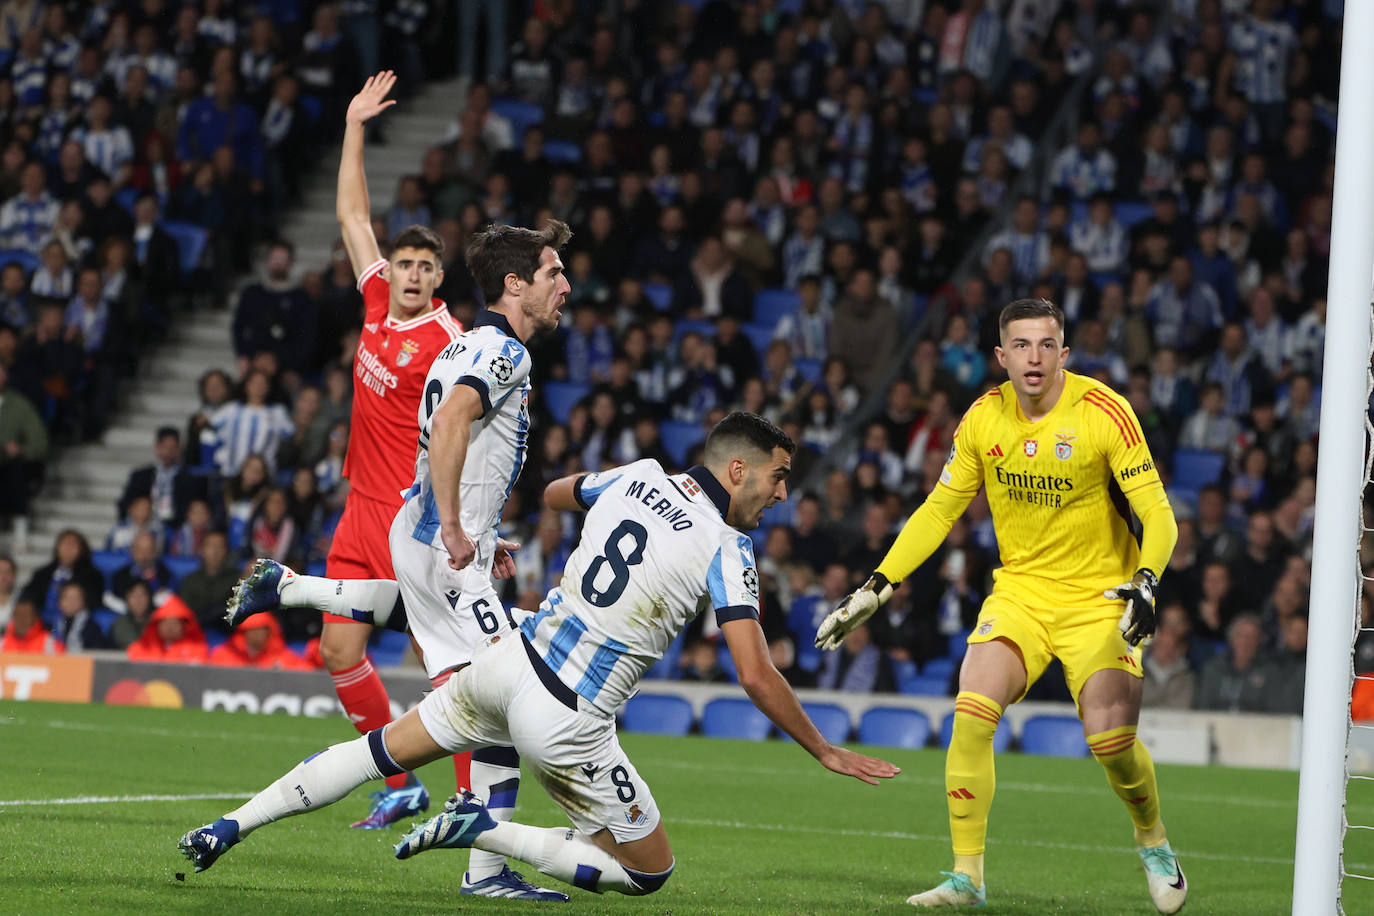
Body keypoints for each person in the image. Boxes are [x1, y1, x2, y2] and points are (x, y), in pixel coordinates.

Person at [181, 412, 899, 898]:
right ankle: (484, 829)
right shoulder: (727, 548)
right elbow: (753, 671)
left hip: (509, 665)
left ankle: (228, 825)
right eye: (777, 477)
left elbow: (558, 494)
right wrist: (825, 751)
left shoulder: (638, 474)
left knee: (379, 750)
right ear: (737, 469)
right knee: (649, 872)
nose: (780, 493)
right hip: (566, 720)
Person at [226, 208, 571, 897]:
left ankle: (297, 589)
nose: (565, 285)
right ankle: (484, 858)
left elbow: (447, 442)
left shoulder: (458, 344)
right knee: (501, 703)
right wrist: (455, 523)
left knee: (472, 691)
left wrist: (467, 520)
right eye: (553, 273)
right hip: (440, 546)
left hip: (414, 536)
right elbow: (448, 424)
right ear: (514, 284)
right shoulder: (506, 353)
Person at [815, 298, 1185, 913]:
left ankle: (1154, 843)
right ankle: (968, 878)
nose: (1034, 358)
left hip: (1101, 597)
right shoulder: (983, 419)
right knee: (971, 710)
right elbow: (939, 511)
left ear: (1064, 353)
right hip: (1021, 591)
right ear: (1001, 356)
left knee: (1109, 742)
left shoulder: (1103, 412)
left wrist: (1147, 579)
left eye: (1046, 345)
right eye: (1021, 345)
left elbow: (1158, 513)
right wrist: (878, 584)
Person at [247, 72, 468, 833]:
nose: (408, 275)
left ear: (439, 280)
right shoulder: (375, 302)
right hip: (357, 509)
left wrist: (469, 523)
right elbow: (351, 213)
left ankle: (474, 807)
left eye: (423, 268)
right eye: (402, 264)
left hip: (412, 522)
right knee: (338, 650)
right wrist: (352, 126)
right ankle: (402, 784)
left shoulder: (452, 344)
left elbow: (470, 435)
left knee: (455, 671)